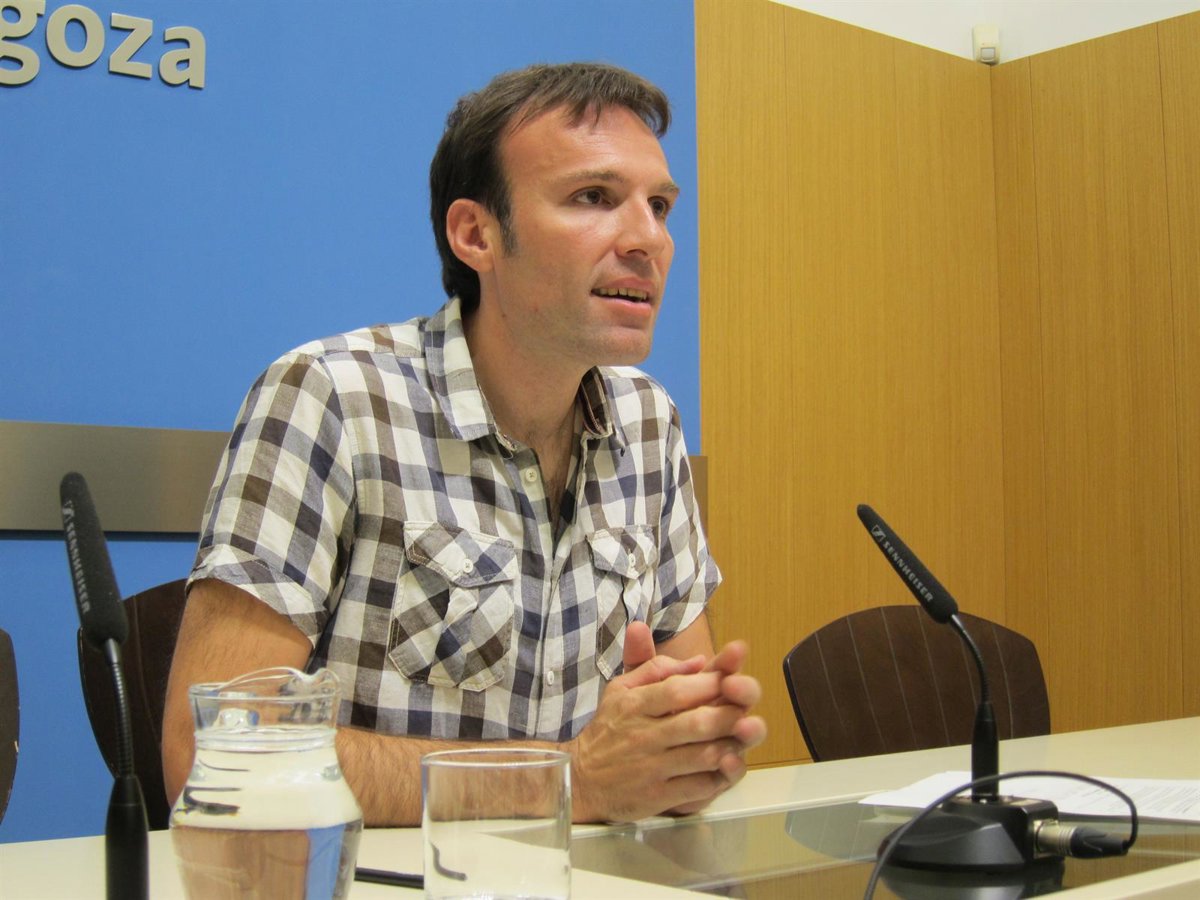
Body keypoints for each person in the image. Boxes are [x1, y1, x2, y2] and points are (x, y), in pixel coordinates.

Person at [162, 61, 766, 826]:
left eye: (660, 206)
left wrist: (693, 746)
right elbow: (211, 754)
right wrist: (571, 780)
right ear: (476, 234)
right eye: (593, 197)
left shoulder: (649, 421)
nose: (649, 239)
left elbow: (680, 726)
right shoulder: (333, 396)